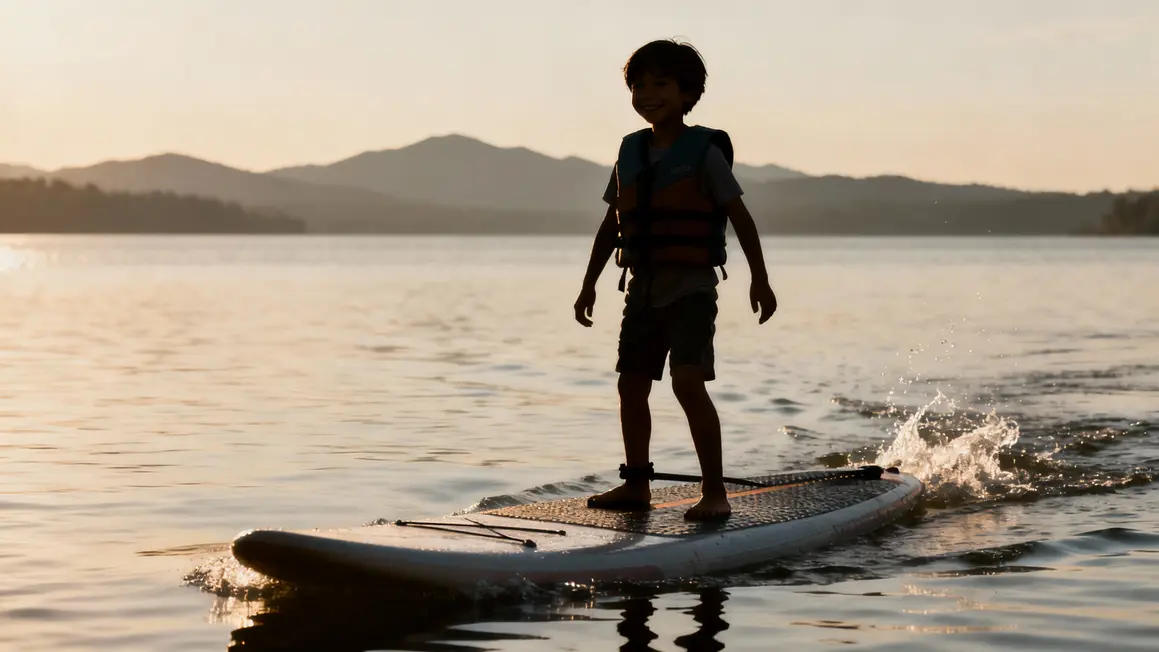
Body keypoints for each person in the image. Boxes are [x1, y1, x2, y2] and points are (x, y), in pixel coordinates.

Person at [573, 39, 778, 521]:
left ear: (688, 94)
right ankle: (637, 487)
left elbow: (740, 218)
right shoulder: (629, 152)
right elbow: (612, 224)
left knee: (687, 382)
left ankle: (715, 491)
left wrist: (760, 281)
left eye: (659, 84)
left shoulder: (704, 152)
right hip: (641, 291)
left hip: (690, 291)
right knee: (631, 386)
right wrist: (589, 284)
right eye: (637, 85)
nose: (646, 93)